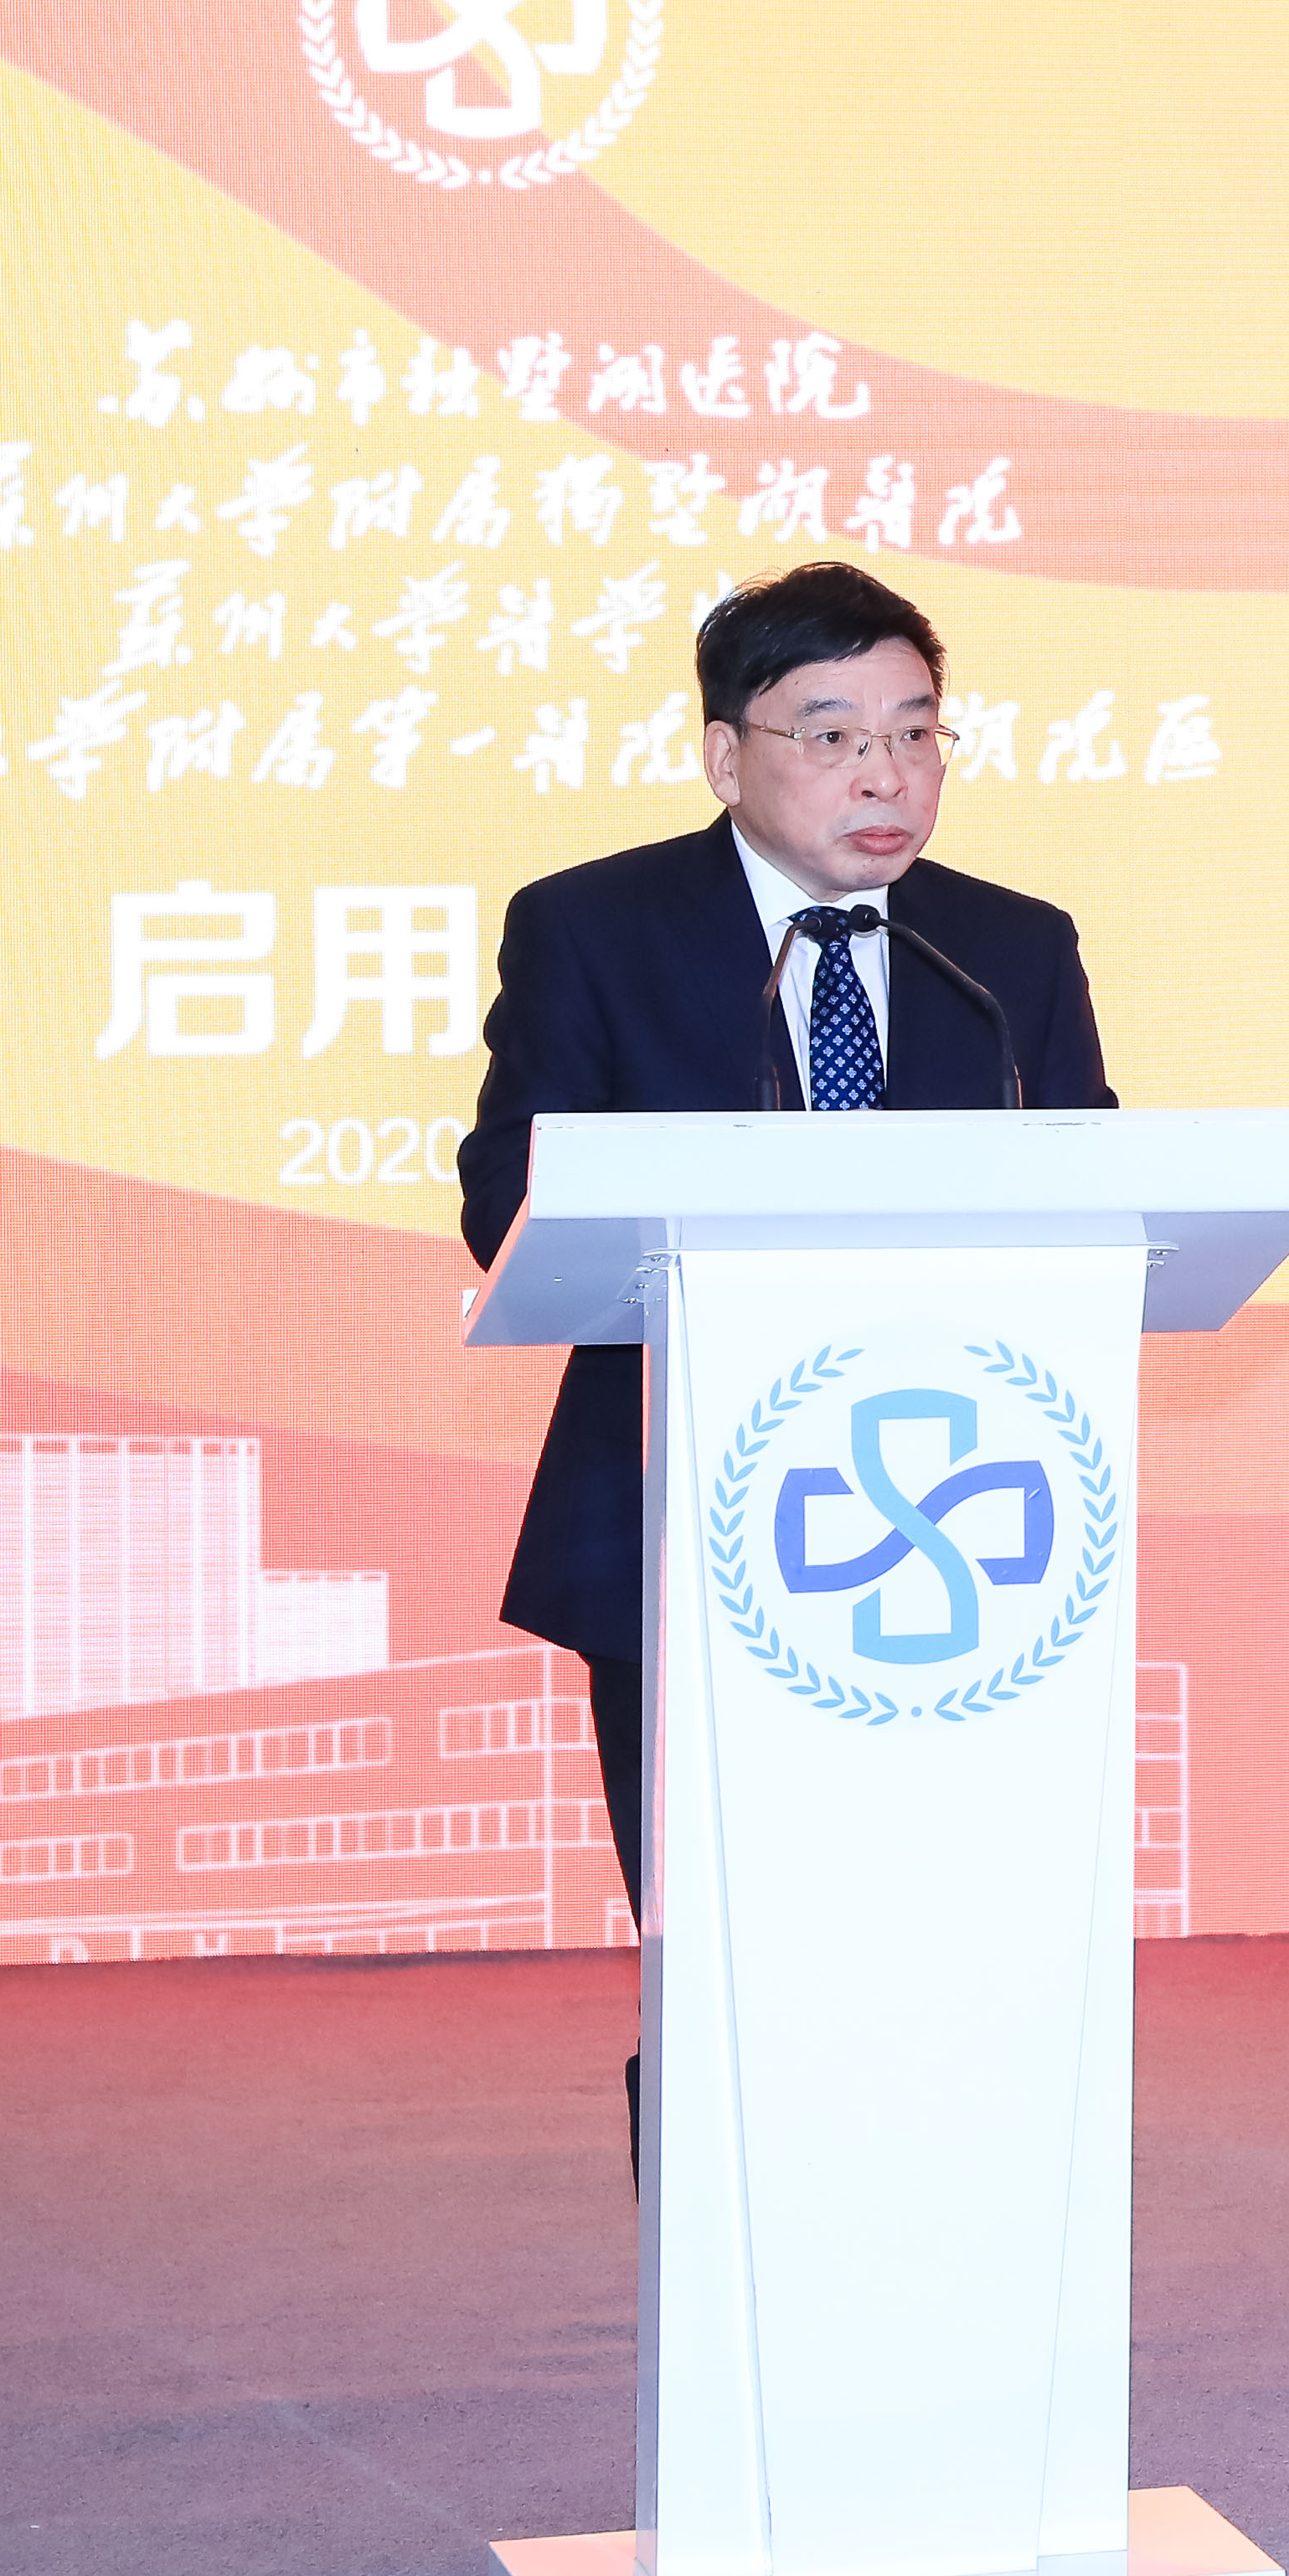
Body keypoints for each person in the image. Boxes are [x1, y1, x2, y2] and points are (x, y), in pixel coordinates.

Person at [457, 562, 1117, 2153]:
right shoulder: (595, 929)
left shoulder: (1009, 950)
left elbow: (1098, 1195)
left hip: (965, 1550)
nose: (885, 774)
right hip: (680, 1523)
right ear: (724, 756)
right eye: (830, 734)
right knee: (723, 1955)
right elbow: (507, 1203)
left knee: (944, 1954)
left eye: (914, 732)